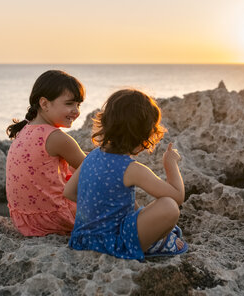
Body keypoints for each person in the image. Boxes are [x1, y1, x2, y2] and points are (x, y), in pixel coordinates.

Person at [64, 89, 188, 260]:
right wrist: (170, 163)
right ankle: (153, 244)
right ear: (144, 135)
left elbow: (68, 192)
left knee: (131, 204)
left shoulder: (92, 156)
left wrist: (99, 211)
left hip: (82, 240)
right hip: (113, 244)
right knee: (169, 207)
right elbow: (177, 196)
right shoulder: (132, 169)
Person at [5, 70, 86, 236]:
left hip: (24, 219)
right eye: (69, 104)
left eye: (78, 105)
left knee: (72, 168)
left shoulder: (26, 129)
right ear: (44, 103)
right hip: (55, 218)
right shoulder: (56, 137)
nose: (76, 111)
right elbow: (94, 169)